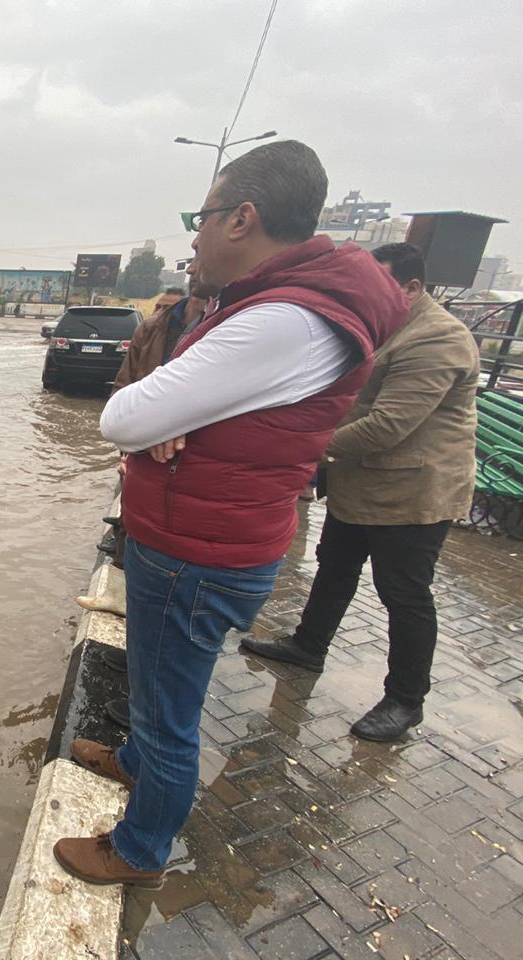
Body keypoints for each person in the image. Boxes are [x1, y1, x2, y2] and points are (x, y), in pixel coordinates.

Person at [53, 140, 407, 890]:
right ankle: (135, 763)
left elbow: (121, 417)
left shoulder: (281, 321)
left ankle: (139, 850)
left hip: (198, 552)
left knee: (170, 714)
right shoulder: (282, 310)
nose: (195, 234)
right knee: (159, 690)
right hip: (202, 535)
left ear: (243, 218)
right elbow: (185, 409)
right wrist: (172, 413)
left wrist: (158, 415)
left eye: (203, 216)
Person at [240, 243, 479, 741]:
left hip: (412, 493)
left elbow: (389, 424)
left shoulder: (437, 338)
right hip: (361, 481)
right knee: (334, 564)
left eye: (382, 282)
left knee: (403, 592)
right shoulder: (381, 324)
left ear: (412, 288)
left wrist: (303, 448)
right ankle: (309, 645)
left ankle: (405, 699)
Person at [79, 279, 216, 730]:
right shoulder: (155, 328)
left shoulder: (226, 325)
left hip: (187, 478)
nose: (196, 252)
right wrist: (130, 441)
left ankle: (152, 714)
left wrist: (168, 428)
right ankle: (140, 668)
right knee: (140, 570)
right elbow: (125, 386)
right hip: (142, 459)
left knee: (173, 600)